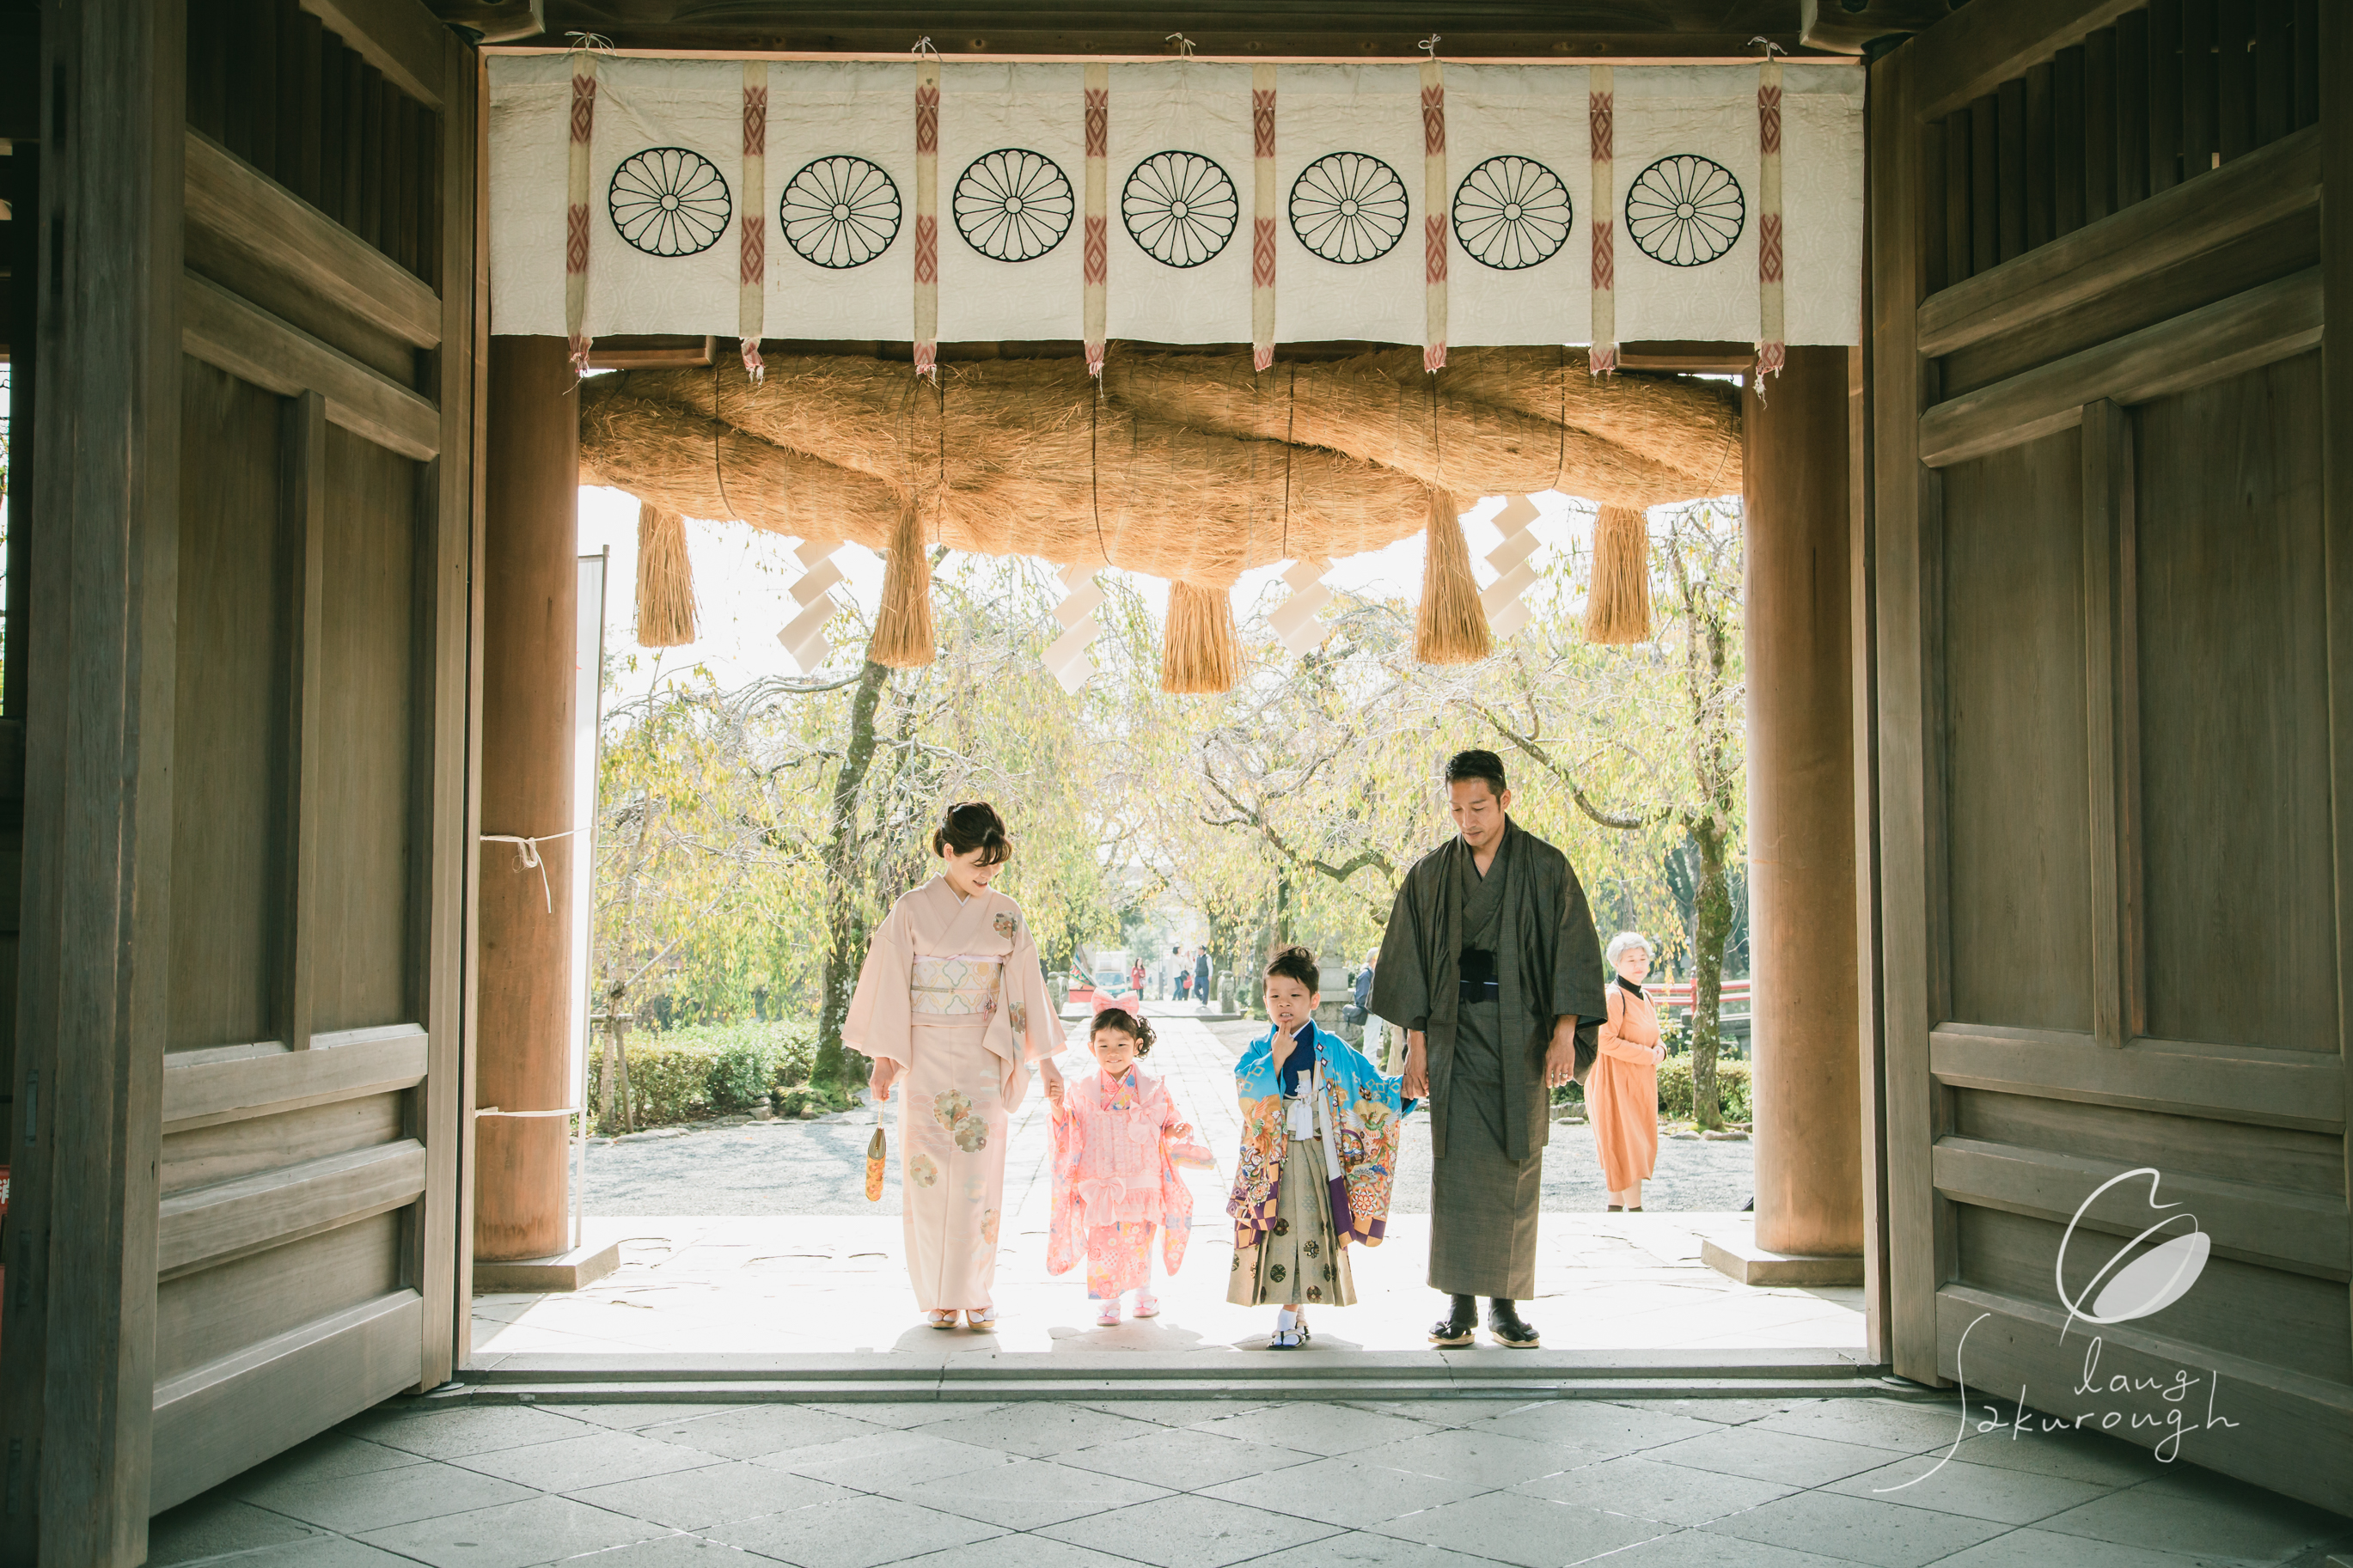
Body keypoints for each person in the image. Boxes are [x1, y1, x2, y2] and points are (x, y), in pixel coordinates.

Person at [1372, 748, 1606, 1351]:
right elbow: (1411, 966)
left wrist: (1564, 1032)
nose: (1467, 820)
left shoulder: (1546, 867)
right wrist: (1415, 1048)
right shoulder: (1430, 875)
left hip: (1521, 1038)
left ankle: (1505, 1304)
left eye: (1478, 807)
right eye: (1457, 809)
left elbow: (1574, 953)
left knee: (1516, 1162)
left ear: (1505, 799)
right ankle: (1459, 1302)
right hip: (1452, 1036)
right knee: (1454, 1167)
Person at [848, 801, 1062, 1331]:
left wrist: (1047, 1065)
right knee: (926, 1177)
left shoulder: (1006, 914)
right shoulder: (911, 909)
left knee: (976, 1179)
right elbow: (890, 986)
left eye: (995, 866)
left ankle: (975, 1290)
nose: (987, 876)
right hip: (921, 1053)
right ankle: (939, 1295)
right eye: (977, 864)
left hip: (983, 1055)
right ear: (948, 852)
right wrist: (884, 1060)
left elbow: (1027, 989)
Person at [1227, 945, 1416, 1347]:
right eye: (1275, 996)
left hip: (1318, 1154)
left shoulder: (1332, 1047)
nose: (1284, 1004)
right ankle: (1293, 1312)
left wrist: (1406, 1089)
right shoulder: (1260, 1049)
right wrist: (1274, 1061)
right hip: (1275, 1156)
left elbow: (1370, 1088)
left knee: (1308, 1229)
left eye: (1294, 995)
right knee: (1280, 1232)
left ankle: (1288, 1315)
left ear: (1313, 999)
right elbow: (1247, 1092)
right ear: (1265, 1000)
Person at [1045, 1007, 1213, 1325]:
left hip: (1141, 1179)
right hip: (1100, 1178)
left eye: (1121, 1044)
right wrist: (1056, 1108)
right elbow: (1069, 1126)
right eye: (1104, 1045)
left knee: (1140, 1239)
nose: (1112, 1053)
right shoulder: (1082, 1090)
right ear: (1091, 1048)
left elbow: (1168, 1122)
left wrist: (1174, 1131)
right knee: (1103, 1241)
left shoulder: (1152, 1087)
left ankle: (1143, 1293)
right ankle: (1108, 1300)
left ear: (1137, 1045)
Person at [1592, 932, 1665, 1212]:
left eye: (1642, 959)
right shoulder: (1613, 997)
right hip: (1614, 1080)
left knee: (1635, 1142)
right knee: (1625, 1144)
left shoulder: (1646, 996)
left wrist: (1661, 1050)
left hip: (1640, 1080)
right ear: (1616, 964)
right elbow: (1604, 1040)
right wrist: (1648, 1055)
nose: (1638, 965)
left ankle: (1615, 1210)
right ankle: (1636, 1212)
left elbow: (1654, 1035)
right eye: (1631, 960)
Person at [1194, 946, 1213, 1010]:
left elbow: (1210, 967)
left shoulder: (1207, 957)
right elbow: (1195, 966)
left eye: (1199, 949)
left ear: (1202, 950)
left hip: (1205, 976)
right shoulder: (1198, 957)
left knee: (1205, 990)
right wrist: (1192, 973)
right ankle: (1202, 998)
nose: (1198, 951)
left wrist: (1210, 975)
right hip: (1198, 976)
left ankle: (1204, 1002)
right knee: (1195, 989)